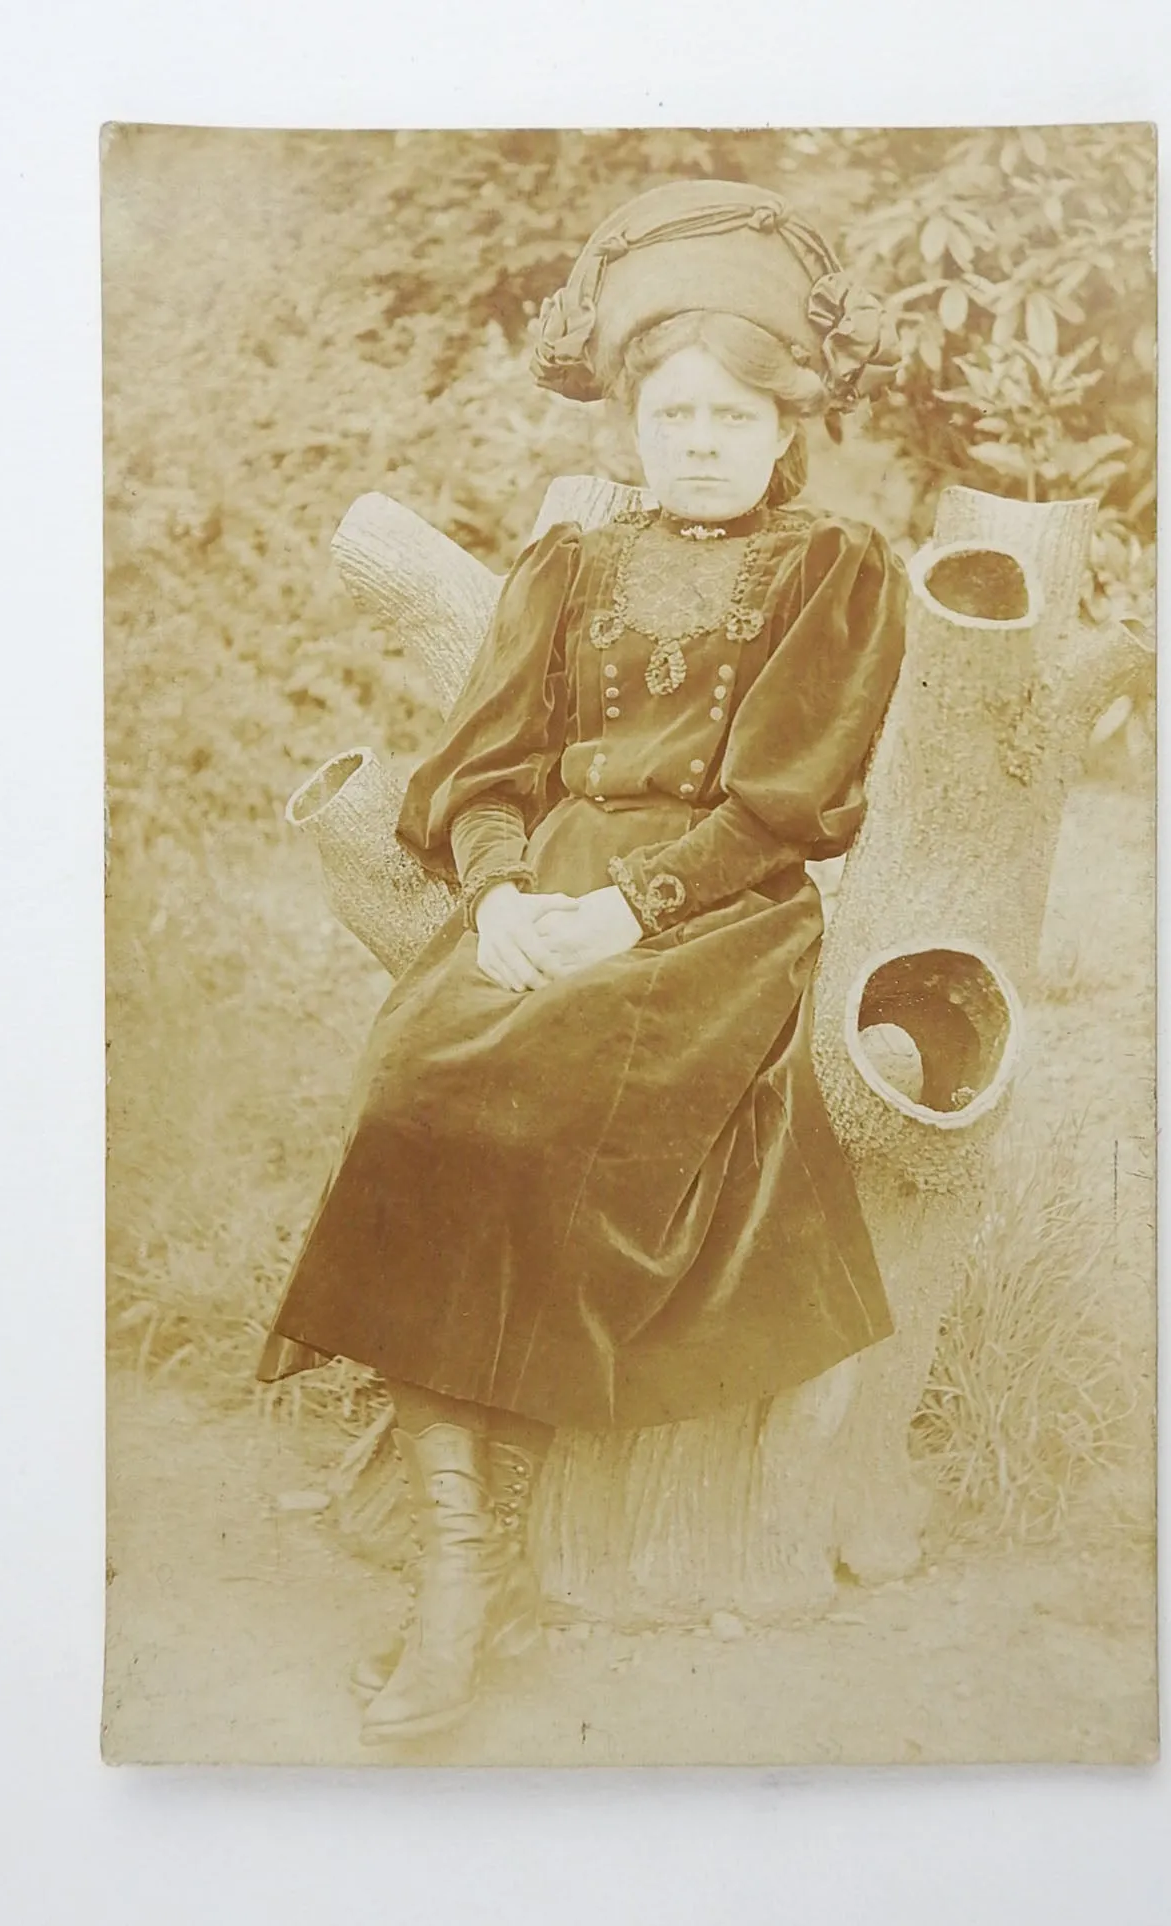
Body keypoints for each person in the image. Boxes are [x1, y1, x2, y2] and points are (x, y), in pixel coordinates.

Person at [257, 178, 910, 1745]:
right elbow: (484, 773)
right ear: (631, 420)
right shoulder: (569, 565)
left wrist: (628, 914)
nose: (698, 437)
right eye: (672, 409)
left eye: (731, 413)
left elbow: (788, 806)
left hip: (719, 915)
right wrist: (495, 898)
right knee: (423, 1078)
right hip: (544, 888)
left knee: (554, 1094)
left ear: (782, 428)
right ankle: (462, 1549)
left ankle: (490, 1545)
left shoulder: (836, 572)